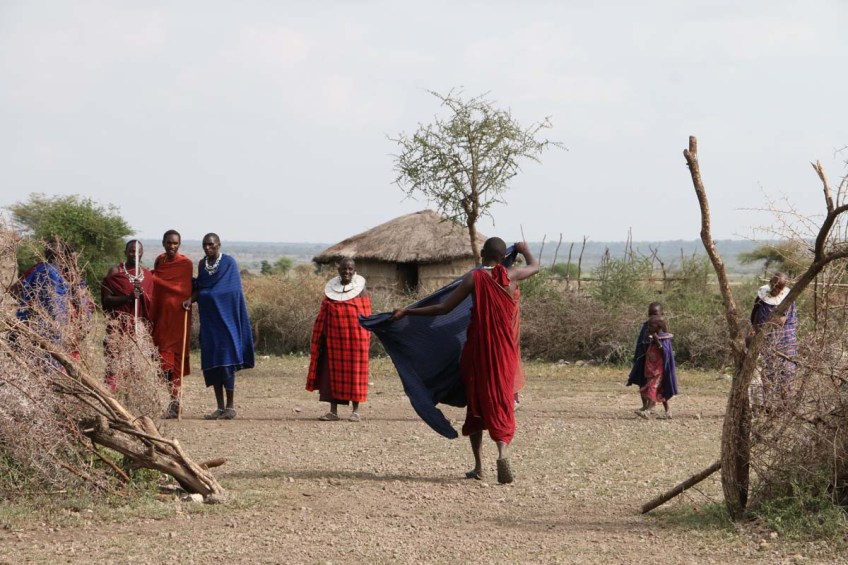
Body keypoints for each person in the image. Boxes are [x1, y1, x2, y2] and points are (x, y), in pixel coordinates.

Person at [391, 238, 539, 484]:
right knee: (501, 399)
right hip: (504, 352)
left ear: (482, 254)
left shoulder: (474, 278)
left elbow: (443, 308)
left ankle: (479, 466)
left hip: (478, 351)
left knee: (477, 403)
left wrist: (408, 311)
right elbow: (535, 267)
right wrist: (524, 250)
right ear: (504, 258)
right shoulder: (512, 275)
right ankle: (502, 453)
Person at [184, 233, 254, 420]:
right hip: (210, 321)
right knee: (213, 362)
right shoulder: (202, 265)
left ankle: (230, 407)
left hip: (227, 319)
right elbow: (200, 288)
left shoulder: (228, 263)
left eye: (211, 245)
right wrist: (189, 300)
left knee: (227, 361)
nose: (208, 248)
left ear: (219, 245)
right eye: (205, 245)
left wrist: (209, 294)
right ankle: (219, 407)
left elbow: (232, 291)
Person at [305, 257, 372, 422]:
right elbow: (323, 316)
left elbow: (365, 316)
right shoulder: (331, 292)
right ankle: (333, 412)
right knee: (331, 376)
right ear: (338, 270)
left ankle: (355, 411)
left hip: (355, 343)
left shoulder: (361, 290)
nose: (347, 272)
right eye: (344, 269)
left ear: (354, 271)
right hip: (333, 342)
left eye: (350, 269)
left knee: (355, 375)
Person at [101, 240, 155, 391]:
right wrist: (128, 298)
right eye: (131, 251)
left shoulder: (147, 275)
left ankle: (132, 403)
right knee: (114, 366)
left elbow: (151, 303)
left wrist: (143, 296)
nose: (135, 254)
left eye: (138, 251)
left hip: (138, 328)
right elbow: (106, 301)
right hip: (118, 326)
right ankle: (111, 403)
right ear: (125, 253)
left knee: (136, 367)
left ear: (142, 253)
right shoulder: (115, 272)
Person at [151, 230, 194, 419]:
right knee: (162, 362)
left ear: (180, 244)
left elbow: (184, 289)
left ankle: (175, 403)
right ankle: (171, 400)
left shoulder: (186, 264)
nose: (172, 246)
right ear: (163, 243)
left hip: (178, 317)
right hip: (161, 316)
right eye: (169, 243)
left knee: (174, 361)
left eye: (175, 243)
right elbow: (155, 287)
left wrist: (152, 277)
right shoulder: (160, 261)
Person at [749, 272, 797, 404]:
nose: (775, 289)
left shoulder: (788, 300)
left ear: (783, 288)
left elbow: (781, 321)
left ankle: (785, 403)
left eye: (778, 288)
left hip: (785, 338)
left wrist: (767, 324)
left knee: (786, 371)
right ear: (770, 283)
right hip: (767, 338)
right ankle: (770, 403)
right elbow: (754, 313)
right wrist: (754, 328)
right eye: (773, 286)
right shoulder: (762, 296)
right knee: (769, 368)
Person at [629, 314, 678, 420]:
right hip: (651, 368)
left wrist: (657, 341)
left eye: (651, 326)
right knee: (660, 390)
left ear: (658, 326)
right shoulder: (651, 336)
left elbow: (665, 352)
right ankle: (668, 412)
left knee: (652, 388)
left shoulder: (664, 338)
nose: (649, 328)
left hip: (659, 369)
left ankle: (648, 411)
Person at [627, 302, 665, 414]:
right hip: (644, 360)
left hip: (656, 364)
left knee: (654, 385)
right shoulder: (646, 326)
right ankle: (645, 406)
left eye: (655, 314)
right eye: (650, 314)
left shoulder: (662, 328)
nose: (652, 317)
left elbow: (664, 347)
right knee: (642, 383)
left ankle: (650, 407)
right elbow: (641, 343)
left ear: (662, 314)